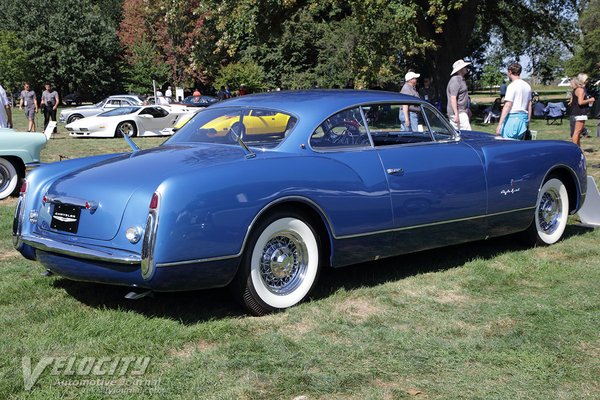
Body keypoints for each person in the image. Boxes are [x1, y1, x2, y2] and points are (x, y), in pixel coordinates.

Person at [495, 63, 532, 139]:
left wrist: (500, 124)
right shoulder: (527, 86)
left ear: (510, 72)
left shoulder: (512, 86)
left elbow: (508, 105)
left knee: (508, 145)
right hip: (524, 119)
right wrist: (528, 121)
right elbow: (530, 104)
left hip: (513, 119)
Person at [570, 73, 595, 147]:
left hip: (575, 112)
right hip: (580, 112)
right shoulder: (581, 90)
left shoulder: (575, 90)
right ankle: (574, 148)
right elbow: (580, 102)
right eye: (586, 80)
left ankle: (578, 148)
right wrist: (590, 99)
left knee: (577, 132)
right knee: (577, 132)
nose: (587, 81)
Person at [446, 59, 472, 130]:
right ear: (460, 69)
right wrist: (456, 114)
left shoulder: (461, 80)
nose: (466, 68)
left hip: (462, 111)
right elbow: (453, 98)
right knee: (468, 134)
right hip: (458, 112)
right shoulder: (455, 80)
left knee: (460, 135)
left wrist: (467, 109)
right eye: (464, 67)